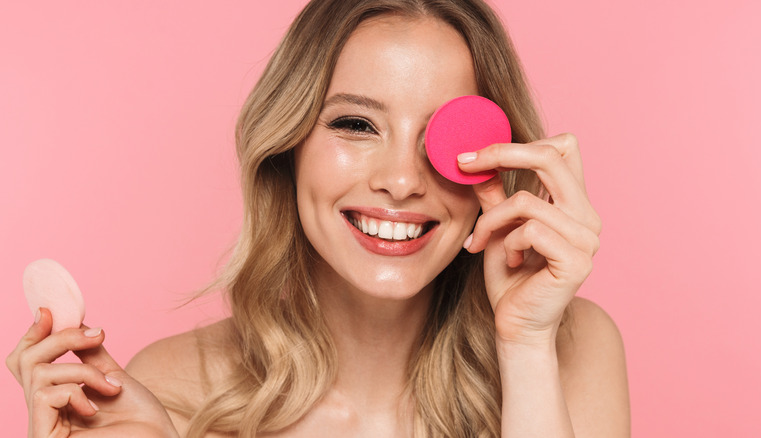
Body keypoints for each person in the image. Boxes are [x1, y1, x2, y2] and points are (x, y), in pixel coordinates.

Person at [6, 0, 630, 436]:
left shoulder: (571, 350)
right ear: (289, 145)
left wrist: (523, 347)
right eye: (356, 124)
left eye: (440, 136)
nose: (402, 181)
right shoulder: (170, 392)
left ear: (493, 167)